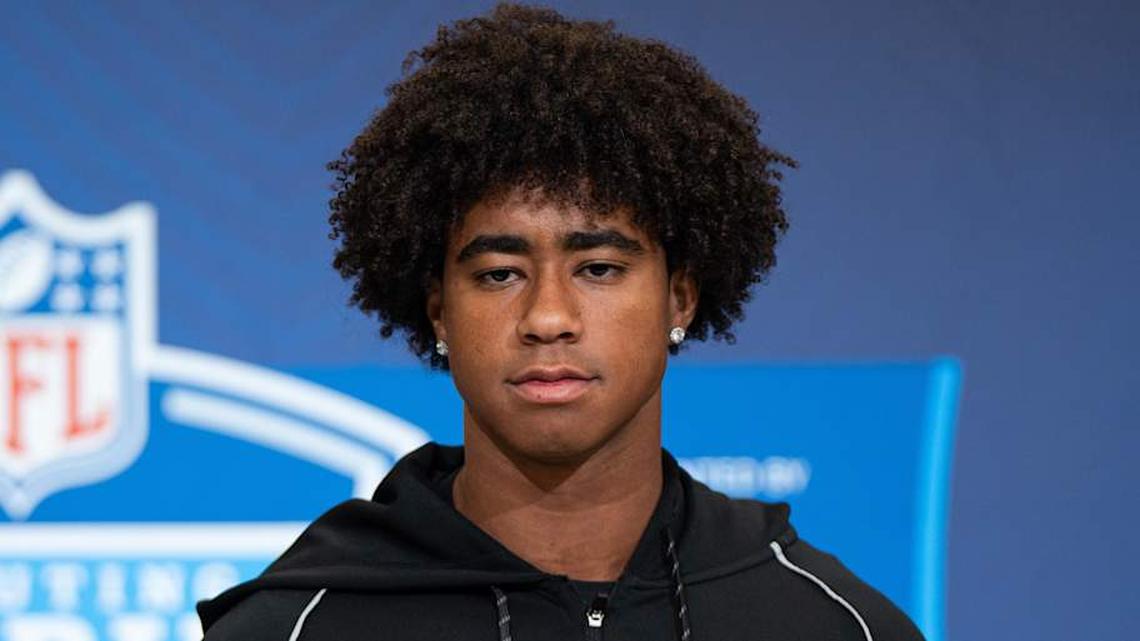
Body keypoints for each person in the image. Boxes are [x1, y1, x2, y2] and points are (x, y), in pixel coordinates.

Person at [198, 3, 924, 640]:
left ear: (680, 297)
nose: (548, 316)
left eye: (599, 267)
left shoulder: (831, 622)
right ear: (438, 310)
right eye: (498, 274)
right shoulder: (295, 626)